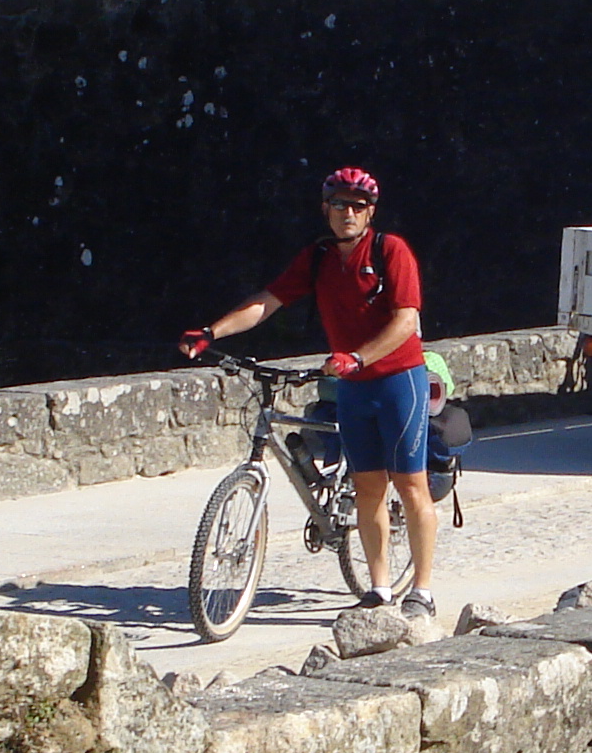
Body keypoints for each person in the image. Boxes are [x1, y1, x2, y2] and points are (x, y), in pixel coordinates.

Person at [181, 166, 437, 616]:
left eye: (358, 206)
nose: (348, 214)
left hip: (399, 382)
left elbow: (406, 321)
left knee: (410, 485)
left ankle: (422, 591)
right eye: (339, 204)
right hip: (353, 389)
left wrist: (358, 356)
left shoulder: (389, 250)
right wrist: (211, 331)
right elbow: (268, 301)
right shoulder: (318, 257)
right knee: (367, 487)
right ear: (326, 209)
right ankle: (378, 590)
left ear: (370, 212)